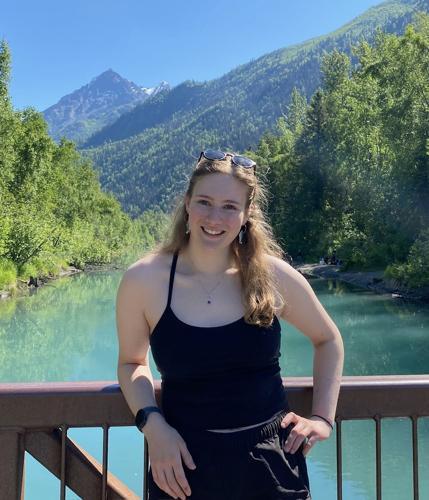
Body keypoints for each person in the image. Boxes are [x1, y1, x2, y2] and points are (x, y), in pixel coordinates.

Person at [116, 149, 344, 500]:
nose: (214, 218)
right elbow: (132, 363)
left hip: (273, 467)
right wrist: (154, 427)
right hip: (182, 466)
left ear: (247, 213)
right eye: (204, 202)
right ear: (187, 203)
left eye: (229, 206)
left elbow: (328, 340)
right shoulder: (144, 280)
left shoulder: (272, 275)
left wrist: (322, 418)